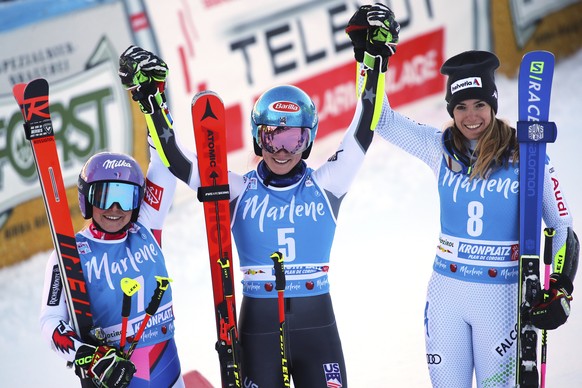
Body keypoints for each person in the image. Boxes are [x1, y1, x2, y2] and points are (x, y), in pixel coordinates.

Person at [116, 17, 396, 386]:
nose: (280, 151)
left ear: (308, 141)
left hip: (317, 328)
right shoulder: (237, 190)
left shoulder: (329, 182)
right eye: (270, 138)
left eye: (292, 139)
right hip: (259, 329)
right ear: (256, 138)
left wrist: (373, 59)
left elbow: (364, 124)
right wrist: (151, 98)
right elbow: (177, 160)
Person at [345, 4, 579, 387]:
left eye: (480, 105)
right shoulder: (438, 147)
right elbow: (382, 119)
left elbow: (561, 224)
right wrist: (370, 61)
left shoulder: (527, 154)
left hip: (502, 300)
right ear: (451, 109)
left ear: (493, 105)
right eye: (461, 107)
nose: (472, 117)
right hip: (446, 295)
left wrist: (561, 287)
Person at [39, 148, 186, 387]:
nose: (115, 207)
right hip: (117, 375)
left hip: (169, 372)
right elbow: (50, 321)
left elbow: (165, 161)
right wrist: (89, 357)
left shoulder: (147, 227)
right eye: (103, 197)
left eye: (125, 197)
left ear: (137, 202)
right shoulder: (69, 253)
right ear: (86, 198)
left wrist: (157, 114)